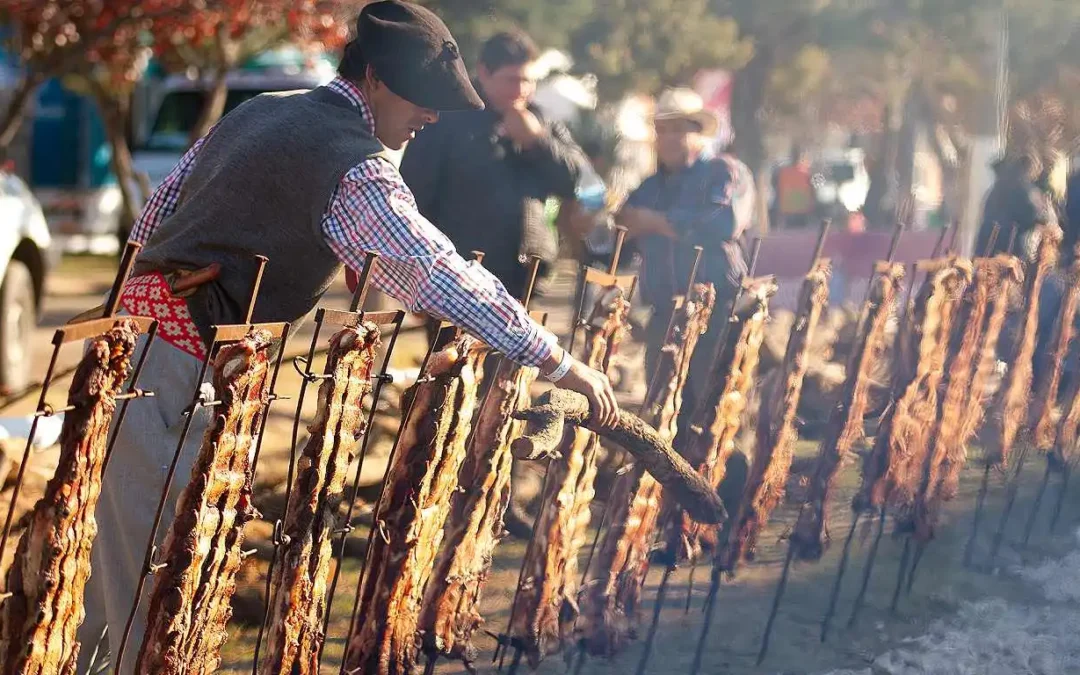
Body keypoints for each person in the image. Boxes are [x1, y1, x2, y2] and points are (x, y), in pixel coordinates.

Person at [75, 3, 617, 672]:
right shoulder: (353, 165)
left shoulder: (260, 111)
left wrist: (125, 326)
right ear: (376, 80)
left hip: (144, 348)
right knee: (151, 588)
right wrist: (558, 362)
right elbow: (435, 273)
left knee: (119, 588)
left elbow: (155, 217)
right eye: (422, 97)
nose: (432, 115)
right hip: (174, 361)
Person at [399, 29, 592, 299]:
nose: (521, 90)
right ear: (483, 72)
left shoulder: (542, 121)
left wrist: (537, 141)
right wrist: (420, 272)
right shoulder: (448, 119)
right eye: (512, 80)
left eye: (528, 81)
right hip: (460, 278)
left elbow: (580, 182)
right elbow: (414, 194)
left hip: (528, 277)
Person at [616, 87, 755, 437]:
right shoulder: (649, 187)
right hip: (664, 314)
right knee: (661, 412)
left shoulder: (725, 171)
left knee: (714, 414)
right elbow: (619, 238)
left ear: (698, 132)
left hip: (718, 311)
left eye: (678, 129)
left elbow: (722, 223)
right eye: (662, 129)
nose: (668, 138)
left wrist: (654, 222)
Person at [772, 147, 815, 229]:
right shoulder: (805, 172)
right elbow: (812, 189)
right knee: (800, 231)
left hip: (790, 208)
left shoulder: (784, 172)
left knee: (791, 231)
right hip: (799, 208)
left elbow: (776, 187)